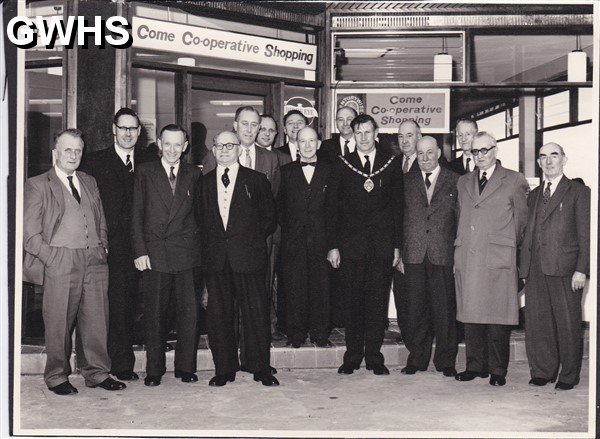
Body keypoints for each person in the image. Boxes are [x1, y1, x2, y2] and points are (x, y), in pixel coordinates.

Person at [23, 129, 126, 395]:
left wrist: (102, 245)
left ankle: (97, 373)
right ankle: (57, 376)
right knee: (59, 322)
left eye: (78, 150)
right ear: (55, 153)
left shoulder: (89, 181)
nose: (73, 155)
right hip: (61, 260)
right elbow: (29, 234)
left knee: (97, 320)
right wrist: (52, 257)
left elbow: (100, 218)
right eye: (67, 149)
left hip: (94, 259)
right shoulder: (38, 184)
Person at [79, 107, 156, 382]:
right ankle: (118, 363)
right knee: (113, 305)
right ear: (114, 130)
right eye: (122, 128)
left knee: (137, 303)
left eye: (133, 129)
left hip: (144, 245)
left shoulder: (149, 160)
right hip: (109, 247)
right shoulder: (95, 162)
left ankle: (133, 361)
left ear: (139, 132)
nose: (127, 133)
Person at [197, 130, 278, 387]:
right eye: (219, 146)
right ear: (213, 149)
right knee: (219, 316)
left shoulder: (256, 180)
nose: (224, 150)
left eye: (229, 145)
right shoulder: (203, 183)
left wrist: (248, 241)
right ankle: (224, 368)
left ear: (239, 149)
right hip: (217, 259)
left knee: (255, 313)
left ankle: (259, 367)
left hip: (248, 257)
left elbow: (269, 219)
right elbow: (200, 220)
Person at [327, 114, 403, 376]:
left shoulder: (390, 164)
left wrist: (396, 246)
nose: (363, 137)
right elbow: (333, 209)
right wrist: (333, 246)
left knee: (377, 304)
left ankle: (374, 357)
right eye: (358, 132)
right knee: (353, 303)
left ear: (376, 134)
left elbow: (397, 209)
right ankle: (352, 357)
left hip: (381, 247)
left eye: (367, 132)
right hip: (350, 248)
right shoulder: (341, 165)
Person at [454, 131, 528, 387]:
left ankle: (498, 370)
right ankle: (475, 366)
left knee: (498, 317)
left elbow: (521, 223)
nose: (480, 156)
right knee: (471, 314)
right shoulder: (463, 182)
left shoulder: (514, 180)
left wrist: (504, 245)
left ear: (495, 150)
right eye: (475, 151)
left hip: (497, 256)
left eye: (484, 150)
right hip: (468, 256)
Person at [132, 124, 202, 387]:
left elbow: (199, 216)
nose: (173, 150)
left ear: (185, 147)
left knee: (189, 313)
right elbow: (137, 214)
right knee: (155, 315)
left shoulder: (194, 174)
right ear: (160, 144)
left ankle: (185, 367)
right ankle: (154, 369)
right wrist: (139, 250)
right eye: (168, 144)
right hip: (155, 253)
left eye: (178, 145)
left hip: (187, 254)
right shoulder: (145, 172)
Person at [519, 142, 590, 390]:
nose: (549, 161)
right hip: (536, 269)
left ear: (564, 159)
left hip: (567, 270)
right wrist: (523, 268)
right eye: (543, 157)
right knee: (538, 323)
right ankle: (543, 371)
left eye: (554, 155)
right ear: (539, 162)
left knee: (568, 323)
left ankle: (569, 376)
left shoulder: (579, 192)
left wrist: (582, 269)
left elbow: (587, 235)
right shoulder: (534, 193)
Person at [398, 136, 459, 377]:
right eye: (420, 153)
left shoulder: (455, 181)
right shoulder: (405, 181)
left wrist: (458, 254)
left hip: (443, 254)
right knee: (416, 310)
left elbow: (461, 220)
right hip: (413, 254)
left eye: (429, 153)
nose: (424, 158)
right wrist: (400, 252)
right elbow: (399, 218)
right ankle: (417, 359)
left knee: (444, 311)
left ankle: (446, 361)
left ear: (438, 154)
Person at [277, 127, 334, 348]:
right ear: (296, 144)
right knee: (295, 288)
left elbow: (335, 209)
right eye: (303, 141)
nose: (308, 145)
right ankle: (296, 335)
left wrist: (332, 244)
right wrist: (292, 231)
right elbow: (279, 206)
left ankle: (321, 334)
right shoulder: (286, 171)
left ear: (319, 144)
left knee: (322, 288)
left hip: (322, 242)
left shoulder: (330, 170)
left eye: (312, 141)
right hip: (294, 242)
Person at [257, 113, 291, 341]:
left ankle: (270, 325)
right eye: (264, 129)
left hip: (276, 232)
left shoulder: (282, 159)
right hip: (247, 234)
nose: (267, 134)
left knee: (271, 282)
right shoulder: (241, 154)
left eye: (272, 130)